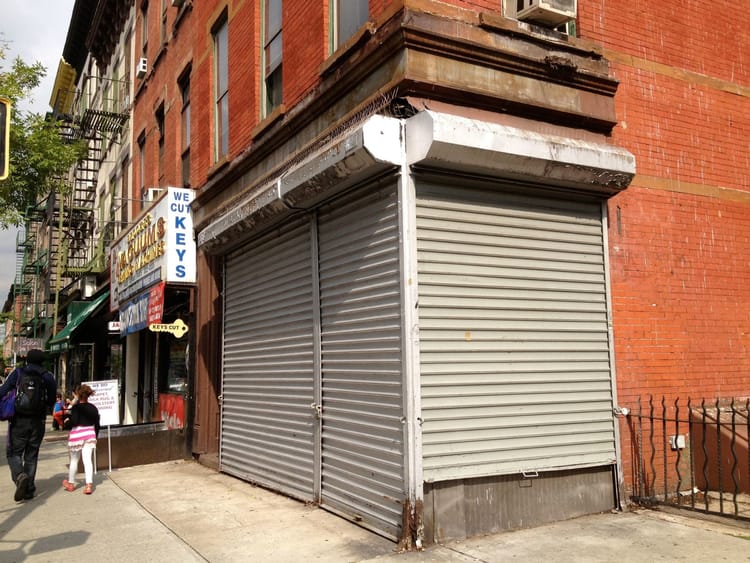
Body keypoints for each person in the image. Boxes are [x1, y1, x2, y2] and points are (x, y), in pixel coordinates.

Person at [0, 349, 57, 502]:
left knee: (13, 453)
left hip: (18, 420)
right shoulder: (48, 376)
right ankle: (29, 490)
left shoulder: (18, 373)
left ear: (27, 359)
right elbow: (52, 400)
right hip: (38, 421)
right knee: (32, 455)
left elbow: (2, 391)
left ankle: (20, 476)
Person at [62, 384, 100, 495]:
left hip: (77, 436)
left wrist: (67, 421)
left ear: (78, 395)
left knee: (74, 460)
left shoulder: (76, 408)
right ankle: (89, 485)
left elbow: (74, 422)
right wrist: (95, 436)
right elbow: (97, 425)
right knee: (87, 460)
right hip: (89, 435)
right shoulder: (93, 408)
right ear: (88, 395)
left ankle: (71, 484)